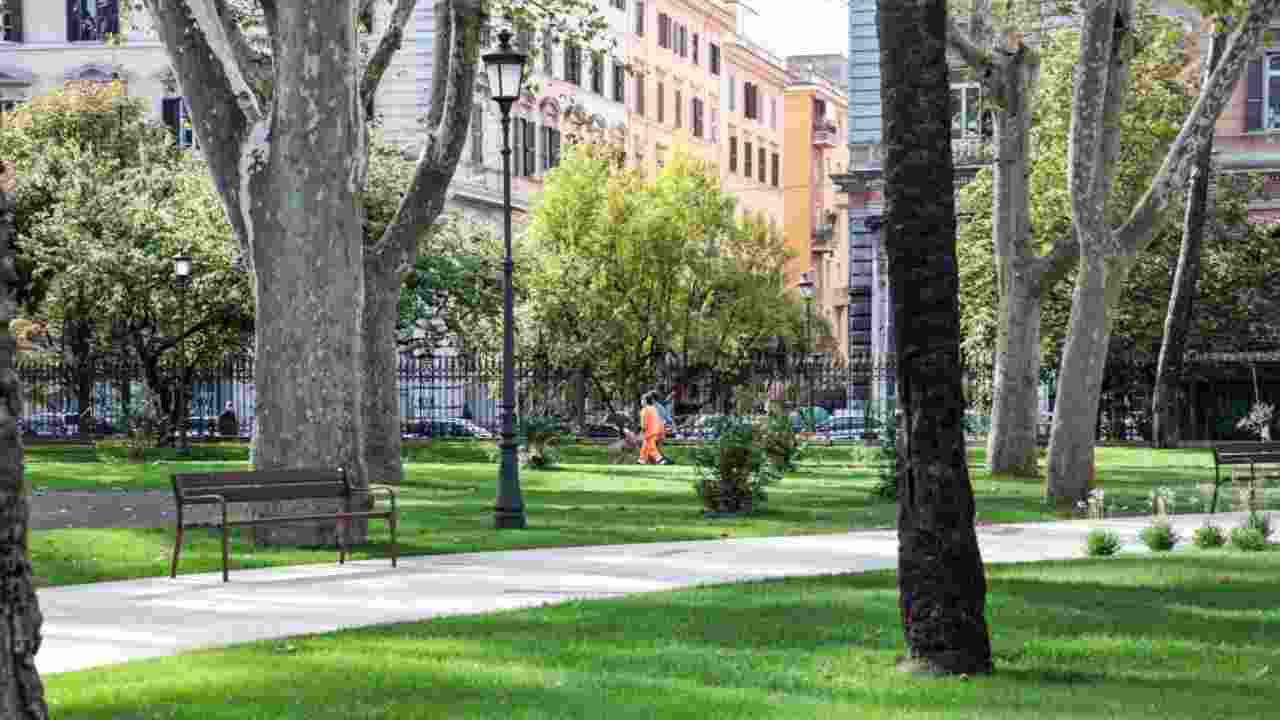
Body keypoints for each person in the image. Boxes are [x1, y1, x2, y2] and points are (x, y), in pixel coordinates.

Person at [638, 391, 671, 465]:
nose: (641, 401)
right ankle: (641, 459)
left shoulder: (644, 410)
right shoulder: (653, 409)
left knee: (651, 447)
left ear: (646, 401)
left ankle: (660, 460)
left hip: (649, 431)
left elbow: (644, 423)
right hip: (656, 430)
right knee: (645, 446)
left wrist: (642, 431)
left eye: (642, 400)